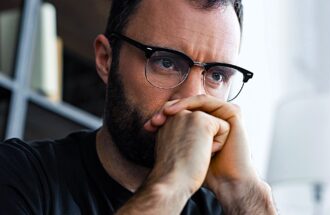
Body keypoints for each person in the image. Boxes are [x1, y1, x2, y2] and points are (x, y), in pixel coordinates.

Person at [0, 0, 278, 214]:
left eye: (216, 75)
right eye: (166, 62)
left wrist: (246, 195)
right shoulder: (18, 175)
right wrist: (170, 187)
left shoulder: (226, 207)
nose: (191, 97)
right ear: (106, 59)